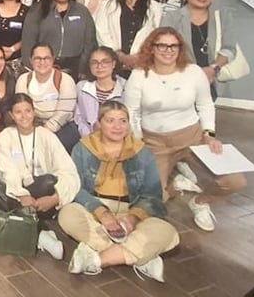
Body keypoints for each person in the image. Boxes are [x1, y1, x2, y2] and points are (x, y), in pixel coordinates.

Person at [123, 27, 247, 231]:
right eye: (162, 45)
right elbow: (132, 112)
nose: (168, 50)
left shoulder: (194, 72)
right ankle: (172, 183)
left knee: (234, 181)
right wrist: (138, 144)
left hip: (192, 138)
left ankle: (200, 202)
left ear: (180, 48)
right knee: (153, 201)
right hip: (155, 143)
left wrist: (209, 134)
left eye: (173, 45)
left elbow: (206, 105)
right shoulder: (139, 75)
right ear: (152, 48)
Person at [63, 101, 178, 282]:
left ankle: (97, 258)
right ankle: (139, 255)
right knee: (67, 214)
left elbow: (152, 195)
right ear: (99, 123)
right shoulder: (83, 148)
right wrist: (103, 214)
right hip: (95, 209)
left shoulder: (142, 152)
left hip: (131, 210)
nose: (118, 127)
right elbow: (76, 187)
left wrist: (132, 219)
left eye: (123, 121)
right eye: (110, 121)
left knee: (167, 232)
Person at [0, 93, 80, 260]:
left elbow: (68, 171)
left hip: (42, 197)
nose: (24, 116)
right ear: (11, 115)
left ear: (34, 112)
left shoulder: (47, 135)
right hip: (18, 193)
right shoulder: (5, 136)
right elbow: (7, 170)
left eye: (27, 111)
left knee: (49, 181)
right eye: (18, 112)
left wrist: (55, 198)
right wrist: (22, 195)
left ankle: (14, 221)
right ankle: (41, 234)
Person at [161, 0, 237, 99]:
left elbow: (230, 49)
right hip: (179, 76)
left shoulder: (222, 17)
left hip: (210, 77)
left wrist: (213, 68)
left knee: (204, 114)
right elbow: (163, 47)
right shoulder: (172, 17)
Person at [20, 0, 96, 78]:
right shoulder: (38, 10)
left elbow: (90, 42)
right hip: (43, 65)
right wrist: (30, 68)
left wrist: (83, 68)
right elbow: (28, 41)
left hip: (74, 68)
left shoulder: (82, 11)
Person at [94, 0, 162, 78]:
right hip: (112, 65)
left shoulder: (154, 7)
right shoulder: (106, 6)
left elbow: (156, 36)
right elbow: (102, 33)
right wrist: (120, 56)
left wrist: (137, 57)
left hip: (142, 66)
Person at [16, 43, 80, 150]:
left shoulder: (65, 80)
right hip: (31, 125)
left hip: (62, 127)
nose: (42, 62)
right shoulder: (23, 80)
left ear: (53, 59)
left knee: (49, 147)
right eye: (37, 58)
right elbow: (21, 109)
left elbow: (64, 113)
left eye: (46, 58)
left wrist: (42, 133)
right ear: (31, 60)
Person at [75, 46, 125, 137]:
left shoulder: (125, 87)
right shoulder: (81, 87)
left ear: (113, 64)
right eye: (94, 63)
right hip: (89, 139)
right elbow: (79, 118)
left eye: (105, 62)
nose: (99, 66)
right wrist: (89, 136)